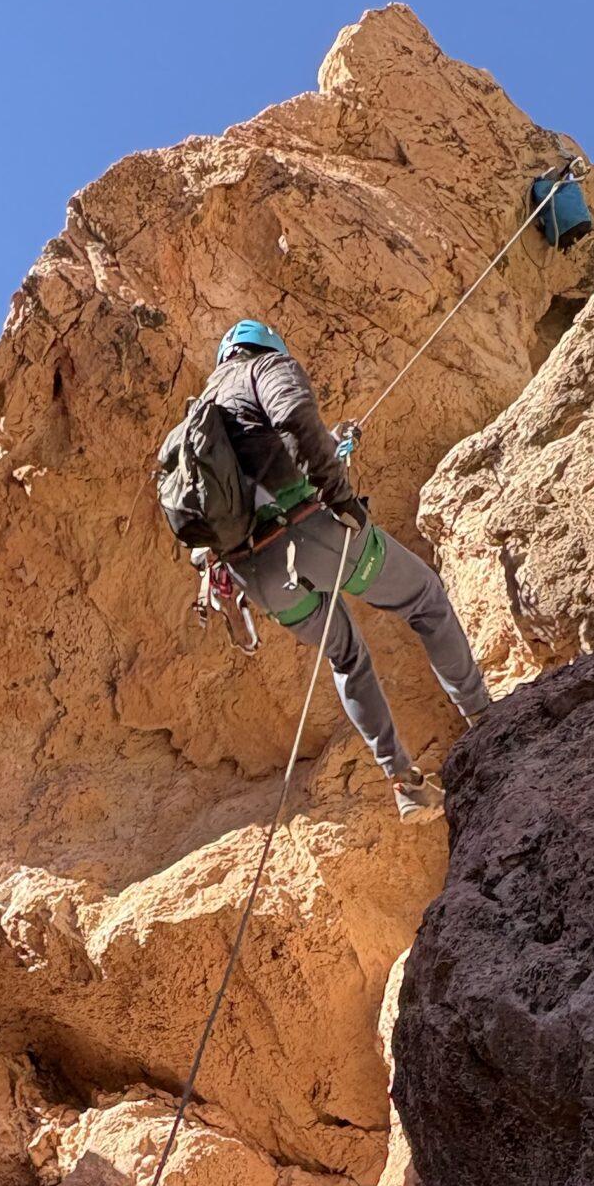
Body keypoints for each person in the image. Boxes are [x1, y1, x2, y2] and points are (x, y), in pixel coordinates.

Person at [200, 319, 493, 820]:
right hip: (308, 529)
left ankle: (403, 782)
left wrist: (335, 445)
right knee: (425, 599)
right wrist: (342, 501)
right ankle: (486, 722)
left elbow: (214, 501)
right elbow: (292, 418)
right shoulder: (266, 367)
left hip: (257, 575)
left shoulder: (200, 417)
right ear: (266, 344)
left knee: (345, 657)